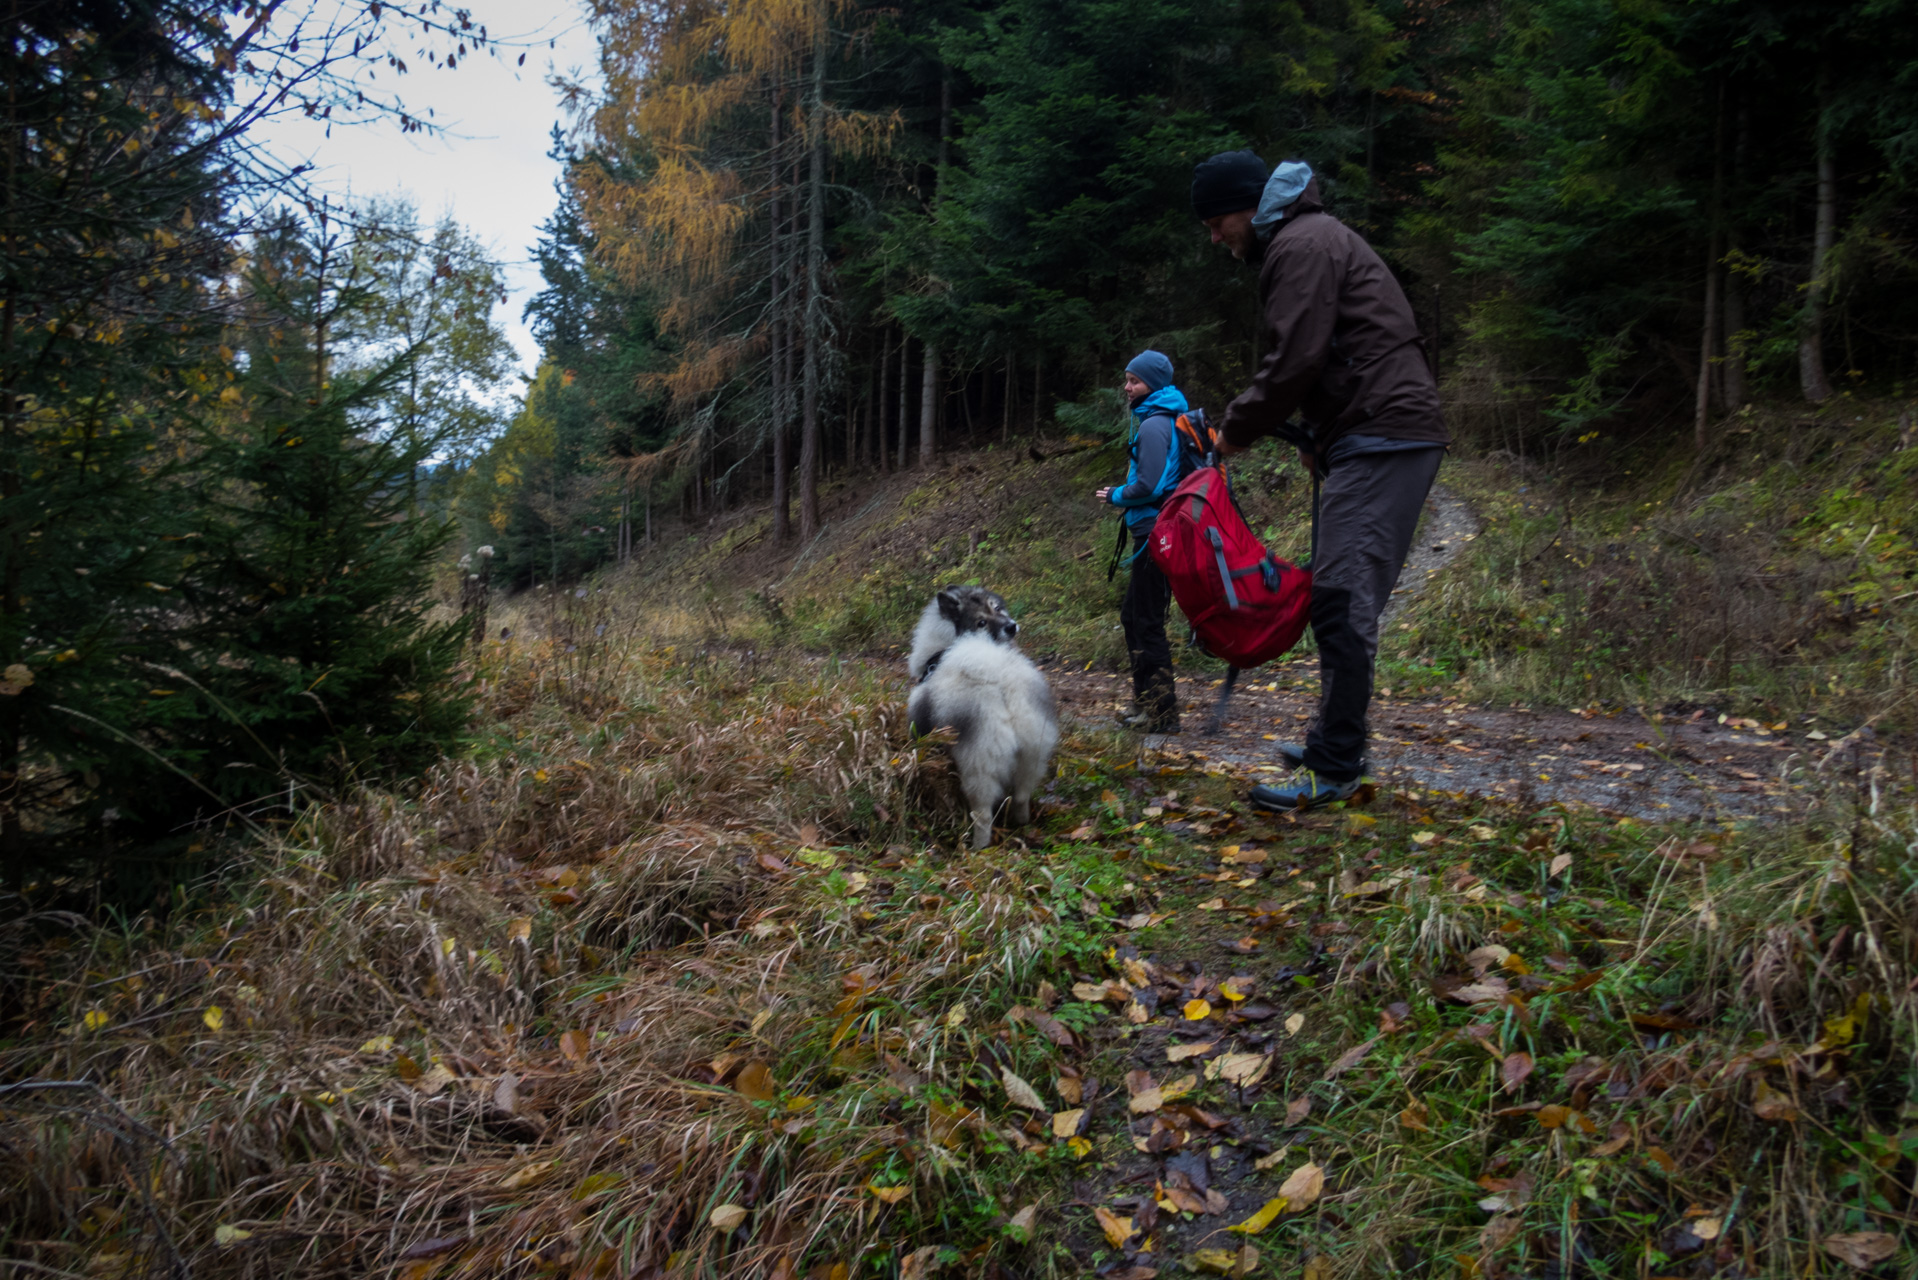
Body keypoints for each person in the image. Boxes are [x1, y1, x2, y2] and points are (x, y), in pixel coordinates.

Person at [1191, 150, 1449, 809]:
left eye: (1218, 222)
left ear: (1250, 206)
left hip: (1386, 432)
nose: (1216, 239)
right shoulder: (1310, 239)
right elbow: (1335, 349)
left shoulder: (1301, 245)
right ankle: (1336, 746)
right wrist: (1318, 437)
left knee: (1340, 599)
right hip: (1372, 431)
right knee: (1340, 597)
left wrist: (1236, 430)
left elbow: (1295, 358)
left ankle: (1335, 765)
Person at [1094, 350, 1188, 733]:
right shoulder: (1162, 419)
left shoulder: (1153, 425)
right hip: (1157, 532)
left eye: (1135, 381)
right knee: (1134, 617)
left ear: (1154, 384)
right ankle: (1146, 704)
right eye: (1127, 379)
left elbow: (1149, 485)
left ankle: (1163, 714)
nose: (1127, 387)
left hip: (1156, 534)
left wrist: (1116, 494)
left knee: (1146, 622)